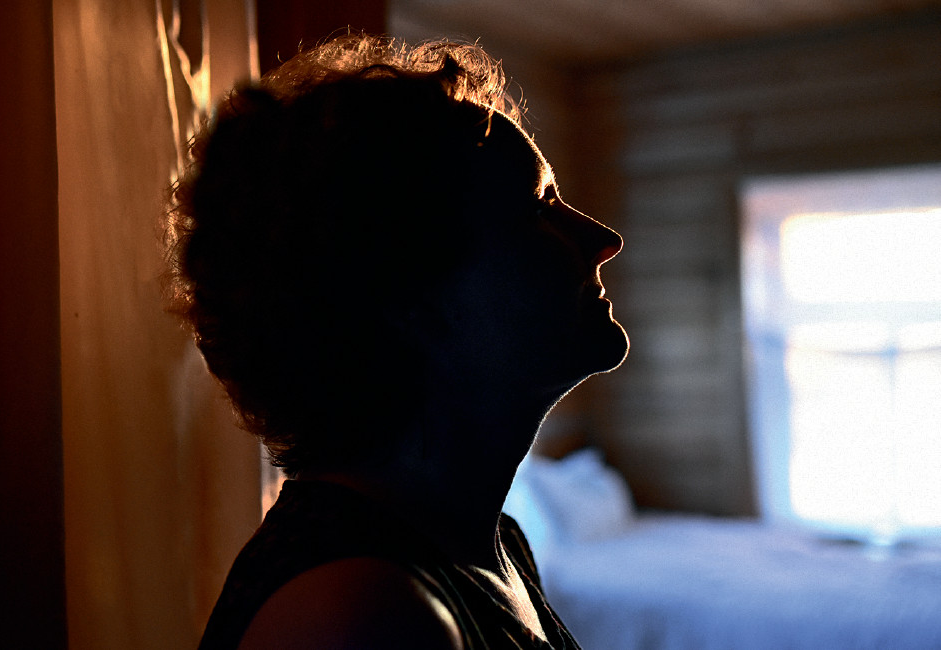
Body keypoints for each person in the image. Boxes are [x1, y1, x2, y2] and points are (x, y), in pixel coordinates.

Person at [166, 34, 627, 650]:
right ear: (405, 293)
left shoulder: (489, 545)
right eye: (538, 208)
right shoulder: (356, 612)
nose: (603, 239)